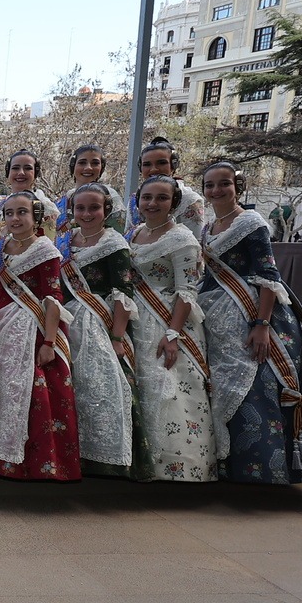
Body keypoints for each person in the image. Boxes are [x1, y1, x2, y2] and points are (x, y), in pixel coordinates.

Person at [199, 161, 302, 483]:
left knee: (258, 384)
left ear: (238, 187)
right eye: (210, 185)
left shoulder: (251, 223)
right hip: (215, 316)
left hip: (253, 314)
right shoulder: (207, 228)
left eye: (224, 183)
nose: (216, 190)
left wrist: (261, 324)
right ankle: (225, 465)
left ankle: (265, 468)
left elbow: (268, 276)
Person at [0, 191, 80, 482]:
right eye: (9, 213)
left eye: (22, 212)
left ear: (35, 216)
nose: (15, 218)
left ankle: (30, 464)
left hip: (30, 330)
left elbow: (52, 297)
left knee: (28, 394)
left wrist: (49, 342)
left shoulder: (45, 250)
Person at [61, 184, 154, 480]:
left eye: (94, 208)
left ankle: (108, 459)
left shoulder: (114, 244)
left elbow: (123, 292)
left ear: (107, 210)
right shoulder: (65, 241)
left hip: (99, 324)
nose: (86, 214)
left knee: (105, 387)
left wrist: (117, 336)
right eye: (80, 208)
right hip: (67, 321)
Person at [126, 175, 215, 483]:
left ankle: (172, 467)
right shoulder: (135, 233)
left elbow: (187, 291)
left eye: (162, 198)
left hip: (166, 322)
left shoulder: (183, 240)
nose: (153, 203)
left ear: (174, 203)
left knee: (166, 388)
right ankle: (137, 460)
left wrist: (173, 334)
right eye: (147, 197)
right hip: (135, 320)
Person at [129, 140, 206, 239]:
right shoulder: (135, 198)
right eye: (147, 164)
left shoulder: (190, 200)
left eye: (161, 163)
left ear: (173, 166)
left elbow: (195, 240)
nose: (154, 169)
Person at [56, 144, 126, 250]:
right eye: (82, 163)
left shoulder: (111, 197)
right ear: (73, 165)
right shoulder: (64, 199)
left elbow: (117, 235)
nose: (88, 168)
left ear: (101, 167)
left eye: (95, 163)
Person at [0, 149, 57, 244]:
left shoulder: (46, 207)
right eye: (15, 168)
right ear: (8, 172)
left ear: (36, 173)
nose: (21, 172)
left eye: (27, 168)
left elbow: (49, 246)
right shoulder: (2, 205)